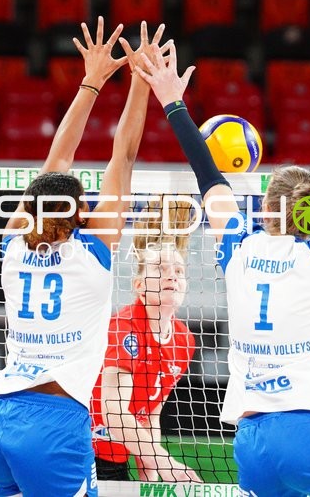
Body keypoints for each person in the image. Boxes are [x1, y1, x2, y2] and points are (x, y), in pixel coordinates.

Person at [136, 40, 310, 496]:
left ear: (263, 209)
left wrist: (172, 102)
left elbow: (208, 174)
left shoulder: (237, 247)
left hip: (251, 439)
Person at [0, 18, 169, 497]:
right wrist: (141, 80)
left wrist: (91, 82)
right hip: (56, 424)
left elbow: (55, 164)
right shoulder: (93, 251)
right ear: (83, 210)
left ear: (33, 207)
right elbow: (122, 155)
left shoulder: (15, 245)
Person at [90, 200, 202, 483]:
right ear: (139, 286)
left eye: (178, 271)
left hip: (121, 447)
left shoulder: (184, 341)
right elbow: (114, 412)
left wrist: (150, 472)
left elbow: (152, 411)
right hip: (83, 449)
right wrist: (165, 462)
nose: (172, 276)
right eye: (160, 269)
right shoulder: (124, 328)